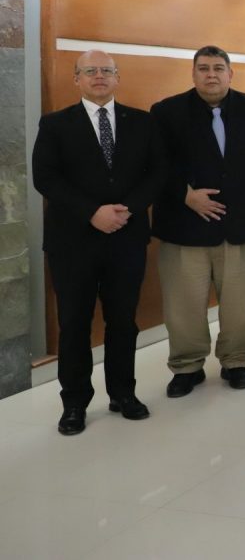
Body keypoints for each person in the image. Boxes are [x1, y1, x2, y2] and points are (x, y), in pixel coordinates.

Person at [32, 50, 163, 435]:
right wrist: (92, 212)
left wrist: (127, 210)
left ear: (117, 77)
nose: (99, 76)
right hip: (72, 242)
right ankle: (74, 403)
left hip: (126, 237)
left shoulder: (142, 121)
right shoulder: (55, 124)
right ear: (77, 79)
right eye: (90, 70)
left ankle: (123, 393)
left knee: (123, 320)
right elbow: (46, 178)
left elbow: (158, 172)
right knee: (74, 323)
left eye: (106, 70)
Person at [150, 46, 245, 397]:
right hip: (184, 228)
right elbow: (154, 164)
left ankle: (236, 362)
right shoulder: (166, 112)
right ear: (193, 74)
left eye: (218, 68)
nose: (211, 75)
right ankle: (187, 367)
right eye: (204, 68)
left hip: (242, 228)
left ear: (230, 73)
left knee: (242, 305)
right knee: (184, 306)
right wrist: (186, 195)